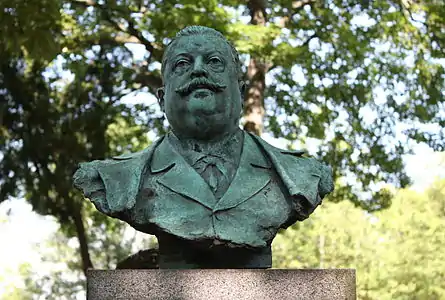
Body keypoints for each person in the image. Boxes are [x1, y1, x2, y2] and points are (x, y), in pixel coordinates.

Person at [73, 26, 334, 268]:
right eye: (182, 64)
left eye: (214, 62)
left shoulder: (302, 177)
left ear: (241, 93)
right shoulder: (114, 180)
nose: (198, 71)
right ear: (162, 99)